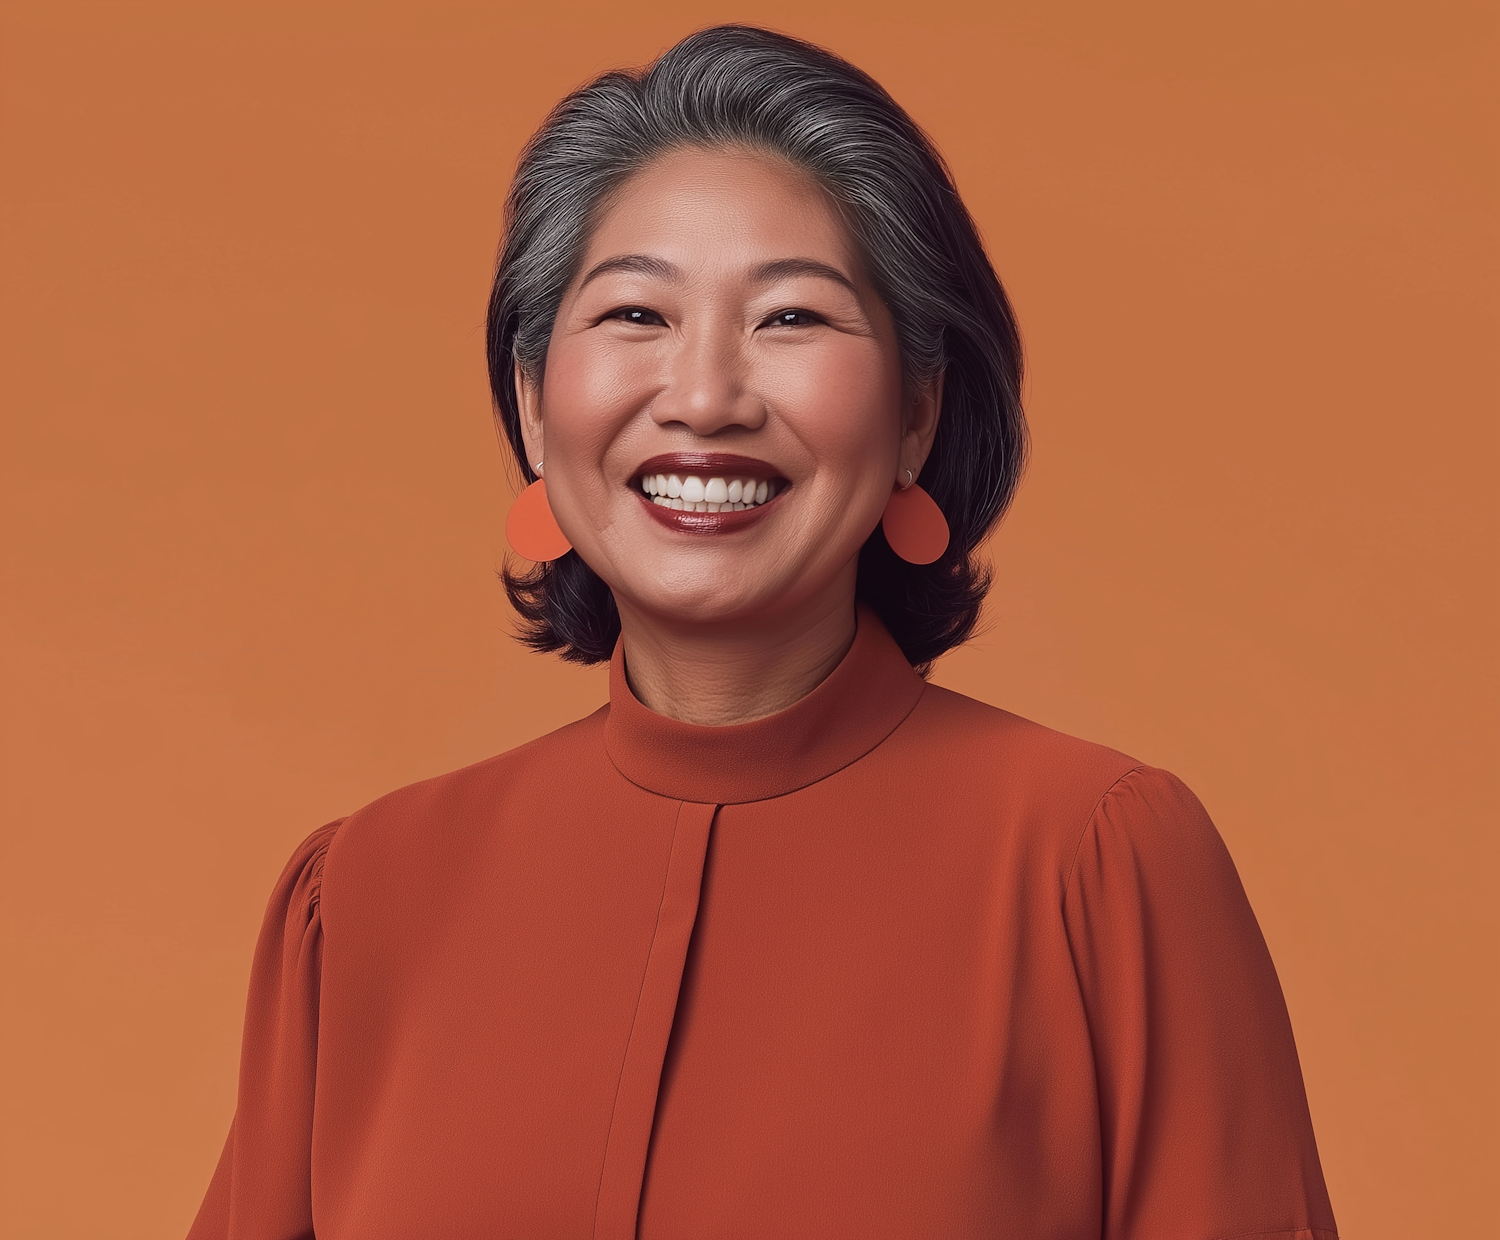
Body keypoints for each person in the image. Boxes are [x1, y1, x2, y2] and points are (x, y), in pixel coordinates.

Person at [188, 25, 1337, 1240]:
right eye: (635, 312)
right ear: (534, 404)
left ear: (916, 412)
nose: (704, 396)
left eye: (791, 318)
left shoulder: (1097, 864)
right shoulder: (365, 896)